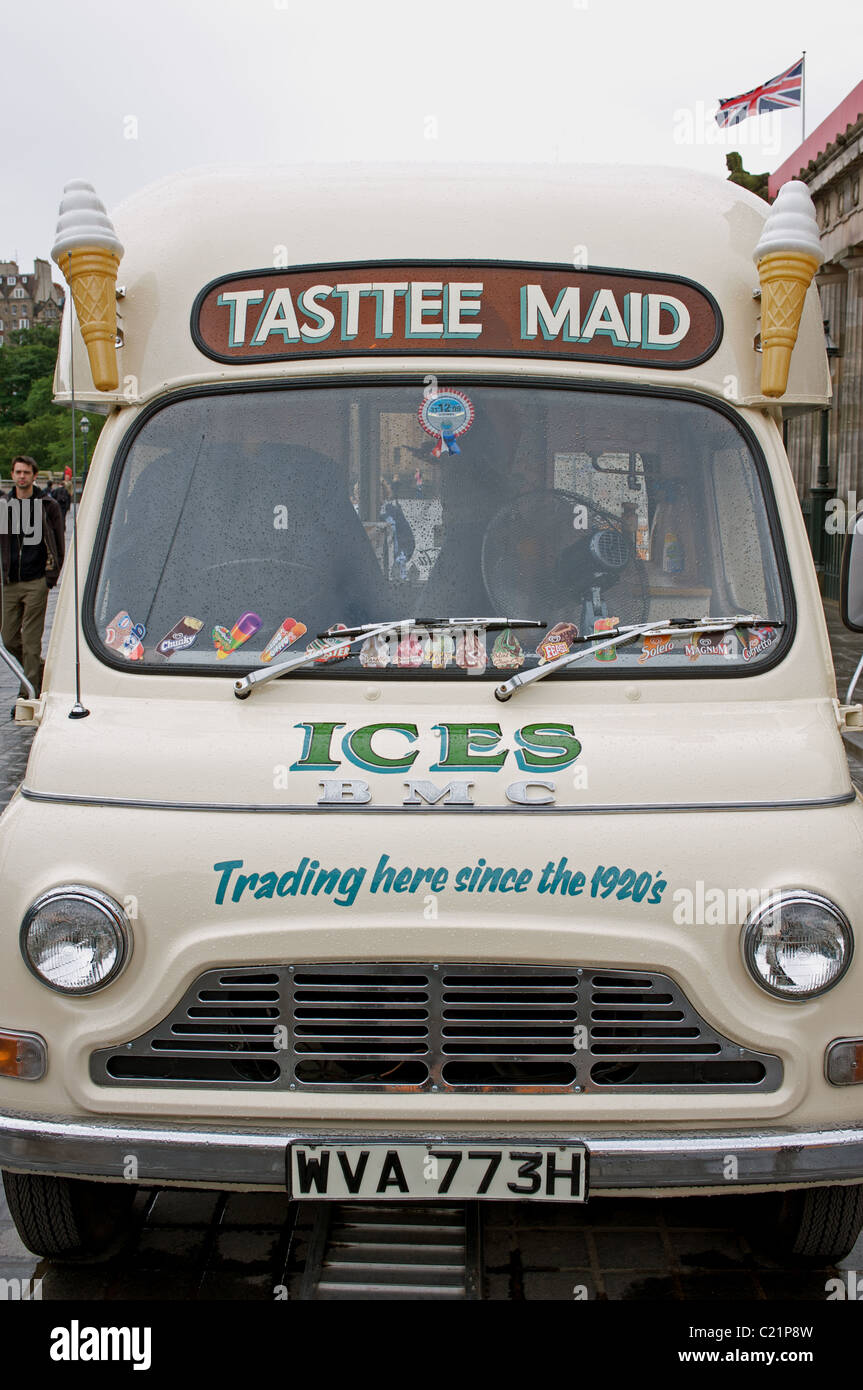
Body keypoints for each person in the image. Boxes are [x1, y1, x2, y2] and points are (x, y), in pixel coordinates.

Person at [0, 455, 65, 700]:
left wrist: (51, 577)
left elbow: (59, 542)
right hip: (9, 582)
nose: (21, 476)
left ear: (34, 475)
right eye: (17, 472)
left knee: (30, 641)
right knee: (7, 639)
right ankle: (38, 669)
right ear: (13, 474)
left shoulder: (47, 505)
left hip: (36, 580)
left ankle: (28, 693)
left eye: (26, 472)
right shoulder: (5, 505)